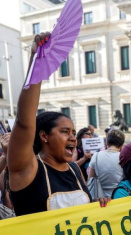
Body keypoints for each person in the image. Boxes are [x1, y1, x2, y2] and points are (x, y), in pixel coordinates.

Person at [8, 33, 108, 216]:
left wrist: (97, 204)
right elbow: (23, 123)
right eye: (64, 131)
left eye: (73, 132)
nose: (72, 137)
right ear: (44, 136)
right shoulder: (27, 168)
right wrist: (36, 62)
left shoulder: (75, 168)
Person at [88, 130, 125, 198]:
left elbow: (90, 179)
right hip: (120, 197)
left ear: (107, 142)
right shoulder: (124, 158)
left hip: (100, 200)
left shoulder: (96, 156)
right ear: (122, 145)